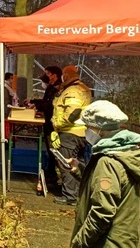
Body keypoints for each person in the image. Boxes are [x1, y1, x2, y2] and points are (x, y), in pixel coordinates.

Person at [67, 100, 140, 248]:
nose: (85, 131)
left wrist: (79, 242)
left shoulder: (107, 161)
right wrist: (79, 169)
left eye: (87, 127)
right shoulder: (125, 151)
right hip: (122, 239)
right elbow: (111, 185)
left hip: (108, 243)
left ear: (99, 129)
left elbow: (102, 212)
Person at [51, 65, 92, 205]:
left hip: (70, 132)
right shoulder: (83, 88)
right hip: (82, 133)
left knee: (65, 163)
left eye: (63, 75)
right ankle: (79, 192)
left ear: (66, 76)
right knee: (78, 164)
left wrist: (56, 125)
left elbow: (71, 114)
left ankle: (69, 196)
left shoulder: (72, 91)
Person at [28, 65, 63, 187]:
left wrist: (36, 105)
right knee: (50, 149)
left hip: (53, 123)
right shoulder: (52, 87)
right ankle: (51, 174)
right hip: (49, 121)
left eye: (48, 74)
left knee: (53, 149)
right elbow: (45, 102)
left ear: (55, 75)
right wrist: (35, 103)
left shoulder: (57, 89)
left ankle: (52, 176)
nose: (46, 76)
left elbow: (49, 104)